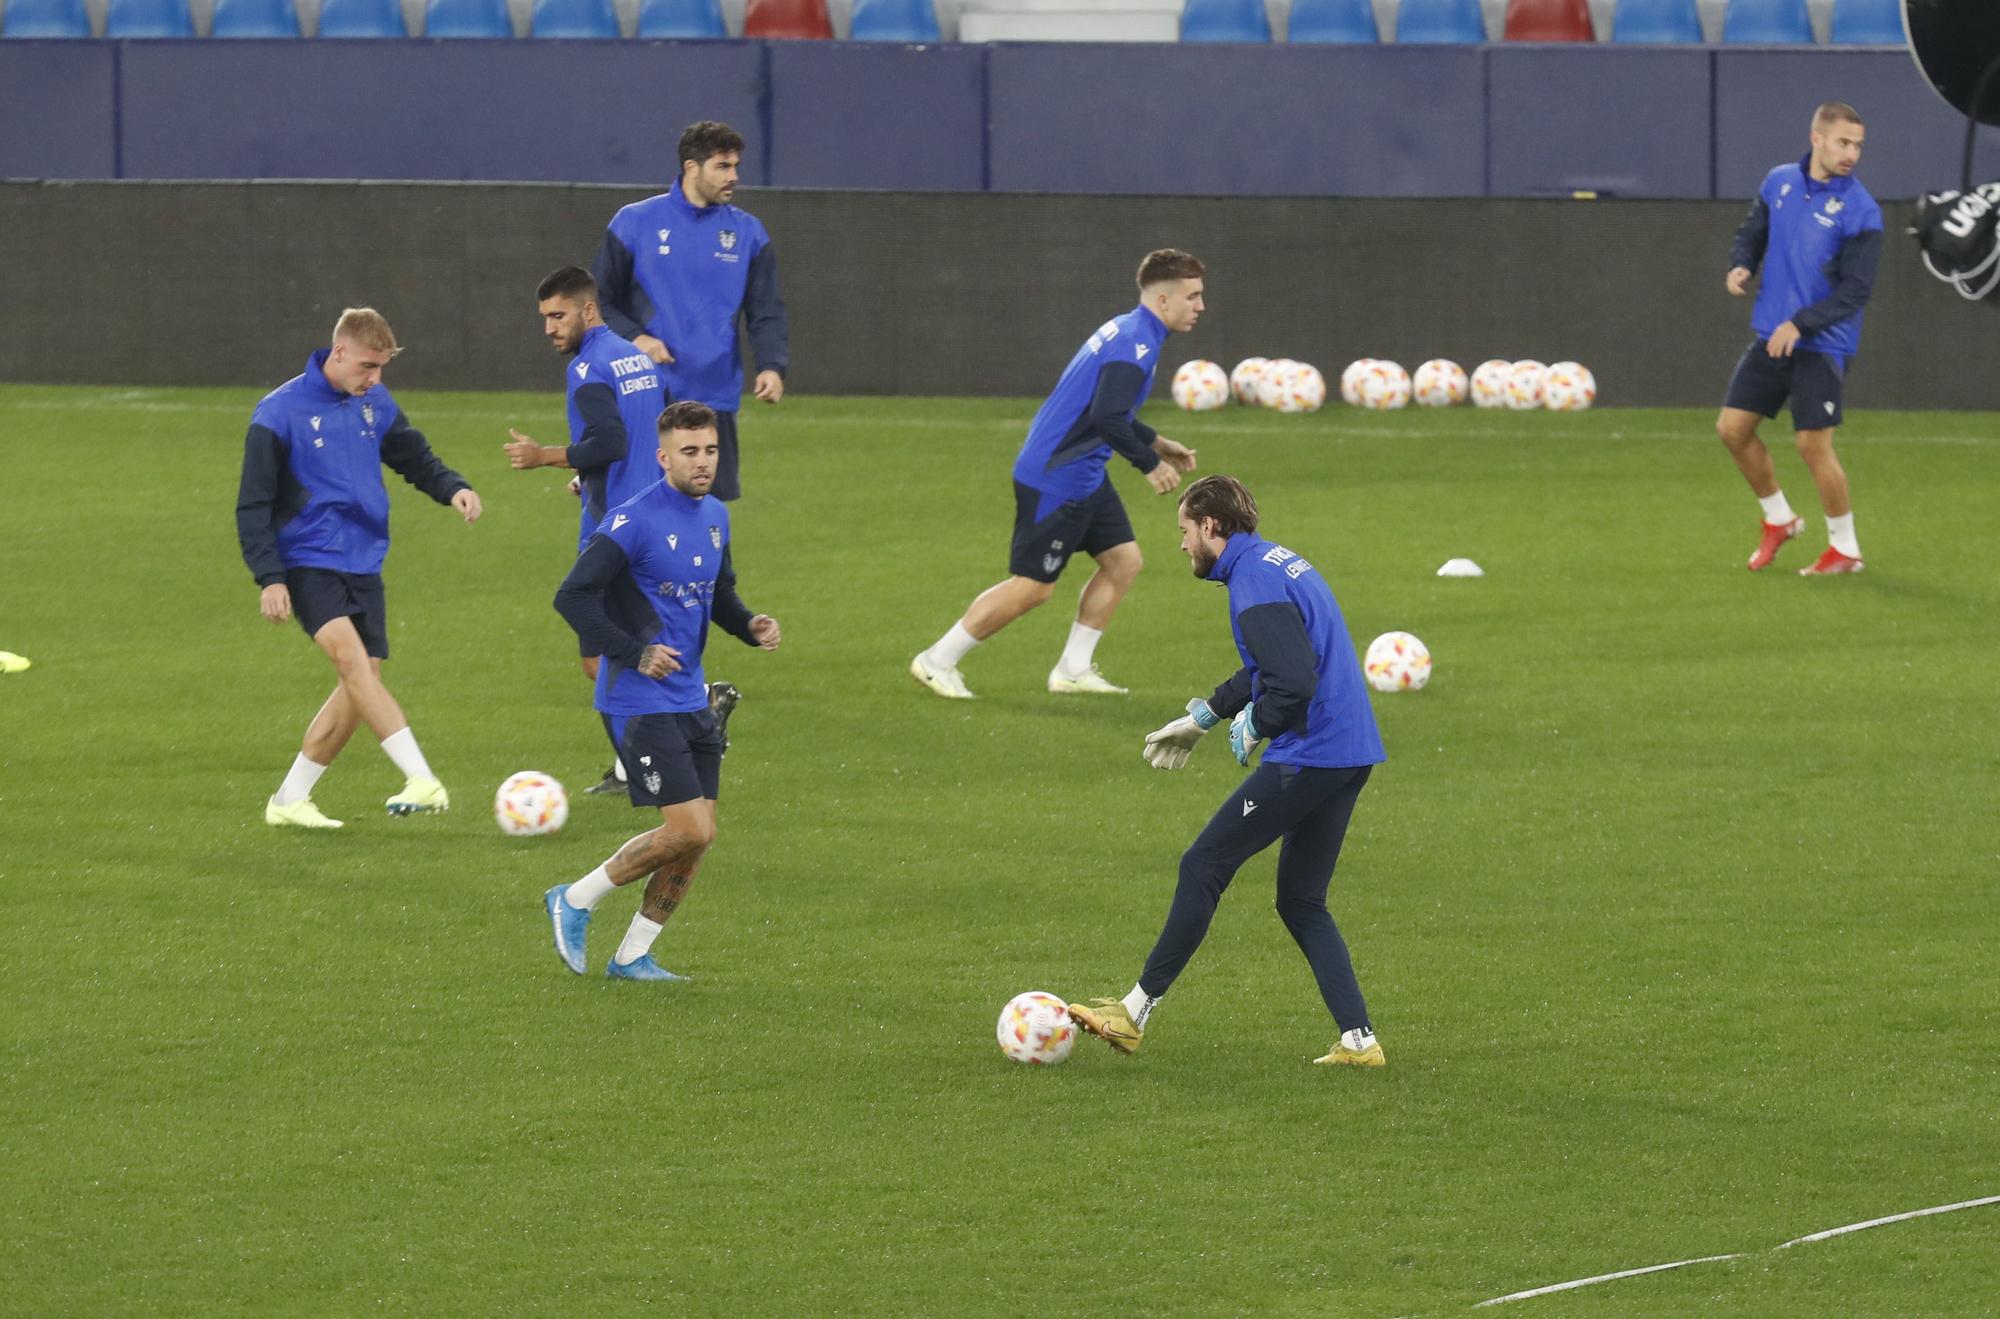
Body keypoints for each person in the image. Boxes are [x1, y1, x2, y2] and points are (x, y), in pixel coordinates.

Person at [1066, 475, 1388, 1068]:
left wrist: (1259, 724)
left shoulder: (1254, 582)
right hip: (1350, 752)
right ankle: (1359, 1041)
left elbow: (1291, 682)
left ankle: (1134, 1012)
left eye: (1185, 530)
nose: (1182, 544)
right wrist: (1207, 716)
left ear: (1211, 526)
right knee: (1301, 900)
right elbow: (1270, 664)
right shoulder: (1271, 563)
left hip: (1312, 755)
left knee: (1205, 863)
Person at [545, 400, 780, 981]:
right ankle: (573, 899)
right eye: (690, 452)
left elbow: (717, 594)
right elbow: (571, 597)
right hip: (636, 700)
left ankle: (631, 956)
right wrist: (634, 651)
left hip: (691, 696)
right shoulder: (633, 521)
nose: (703, 462)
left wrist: (748, 625)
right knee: (689, 827)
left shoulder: (717, 516)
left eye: (710, 451)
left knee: (698, 839)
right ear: (663, 456)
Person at [909, 249, 1204, 700]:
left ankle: (1072, 670)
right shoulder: (1135, 344)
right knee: (1032, 589)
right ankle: (937, 660)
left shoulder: (1132, 330)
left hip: (1084, 473)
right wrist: (1150, 464)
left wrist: (1157, 442)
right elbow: (1106, 416)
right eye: (1193, 296)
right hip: (1056, 478)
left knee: (1124, 562)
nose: (1200, 306)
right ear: (1163, 300)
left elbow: (1105, 409)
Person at [236, 308, 481, 829]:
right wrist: (270, 577)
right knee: (352, 665)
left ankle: (289, 800)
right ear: (339, 352)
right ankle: (422, 778)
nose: (375, 379)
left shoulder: (374, 402)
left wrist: (452, 487)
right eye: (368, 366)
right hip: (307, 559)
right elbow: (252, 505)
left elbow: (413, 456)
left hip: (364, 557)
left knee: (362, 679)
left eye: (383, 368)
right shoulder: (278, 414)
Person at [504, 266, 673, 797]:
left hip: (612, 531)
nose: (551, 328)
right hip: (651, 515)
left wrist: (543, 456)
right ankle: (634, 767)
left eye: (559, 316)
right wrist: (586, 474)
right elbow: (648, 431)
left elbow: (609, 441)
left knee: (601, 654)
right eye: (545, 319)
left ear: (588, 310)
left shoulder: (588, 367)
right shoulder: (636, 357)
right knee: (615, 649)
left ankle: (679, 729)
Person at [1719, 101, 1883, 577]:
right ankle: (1779, 519)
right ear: (1817, 139)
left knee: (1812, 445)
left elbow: (1857, 291)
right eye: (1843, 142)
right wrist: (1740, 263)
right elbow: (1753, 231)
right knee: (1732, 430)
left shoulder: (1862, 210)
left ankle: (1845, 549)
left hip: (1823, 343)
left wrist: (1802, 324)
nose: (1852, 153)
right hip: (1773, 334)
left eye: (1858, 145)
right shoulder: (1779, 182)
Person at [593, 120, 788, 504]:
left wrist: (772, 365)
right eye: (723, 166)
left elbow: (766, 310)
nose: (734, 176)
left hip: (714, 398)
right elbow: (599, 302)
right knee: (639, 512)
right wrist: (638, 338)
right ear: (691, 168)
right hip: (647, 397)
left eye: (735, 166)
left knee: (708, 517)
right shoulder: (634, 223)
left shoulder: (748, 234)